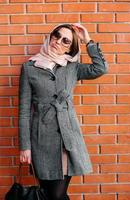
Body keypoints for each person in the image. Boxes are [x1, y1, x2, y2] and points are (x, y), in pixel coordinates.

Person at [18, 23, 108, 200]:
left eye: (65, 40)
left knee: (57, 195)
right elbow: (24, 111)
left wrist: (87, 40)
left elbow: (100, 68)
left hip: (68, 141)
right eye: (56, 35)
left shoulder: (72, 67)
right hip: (41, 141)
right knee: (52, 194)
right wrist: (25, 147)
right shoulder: (29, 68)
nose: (57, 41)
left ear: (70, 48)